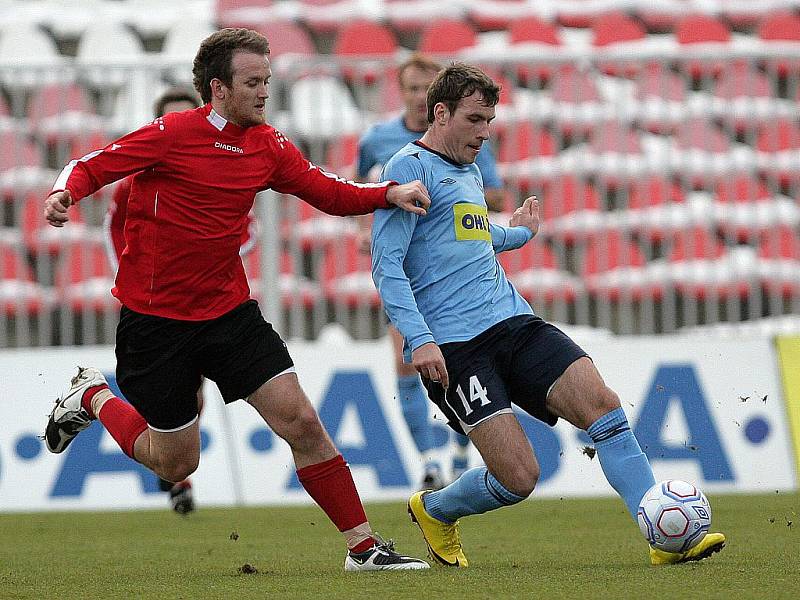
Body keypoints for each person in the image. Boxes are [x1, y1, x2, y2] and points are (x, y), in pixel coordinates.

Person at [43, 27, 431, 572]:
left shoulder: (267, 145)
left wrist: (386, 194)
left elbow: (327, 190)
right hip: (156, 326)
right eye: (254, 82)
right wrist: (65, 192)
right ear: (219, 88)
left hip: (230, 315)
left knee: (302, 422)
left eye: (267, 80)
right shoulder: (173, 133)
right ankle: (91, 398)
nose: (265, 91)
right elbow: (94, 164)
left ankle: (364, 548)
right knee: (177, 462)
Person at [370, 63, 726, 567]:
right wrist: (420, 339)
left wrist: (519, 235)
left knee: (602, 405)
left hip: (513, 322)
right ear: (441, 112)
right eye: (475, 119)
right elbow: (387, 268)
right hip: (455, 348)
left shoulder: (468, 169)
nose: (485, 132)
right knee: (519, 478)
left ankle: (661, 535)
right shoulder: (407, 169)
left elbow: (471, 235)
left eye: (490, 120)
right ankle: (436, 509)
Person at [356, 54, 506, 490]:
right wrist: (370, 225)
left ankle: (460, 449)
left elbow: (492, 195)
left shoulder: (468, 141)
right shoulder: (379, 141)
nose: (418, 96)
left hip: (452, 277)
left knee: (461, 365)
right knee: (406, 365)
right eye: (411, 88)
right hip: (404, 271)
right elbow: (360, 188)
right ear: (400, 92)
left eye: (426, 88)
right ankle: (429, 462)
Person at [103, 87, 205, 515]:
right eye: (172, 118)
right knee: (169, 394)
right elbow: (115, 232)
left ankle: (176, 472)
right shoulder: (134, 183)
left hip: (206, 302)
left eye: (189, 116)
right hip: (155, 307)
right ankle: (177, 475)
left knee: (194, 397)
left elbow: (247, 230)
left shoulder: (214, 173)